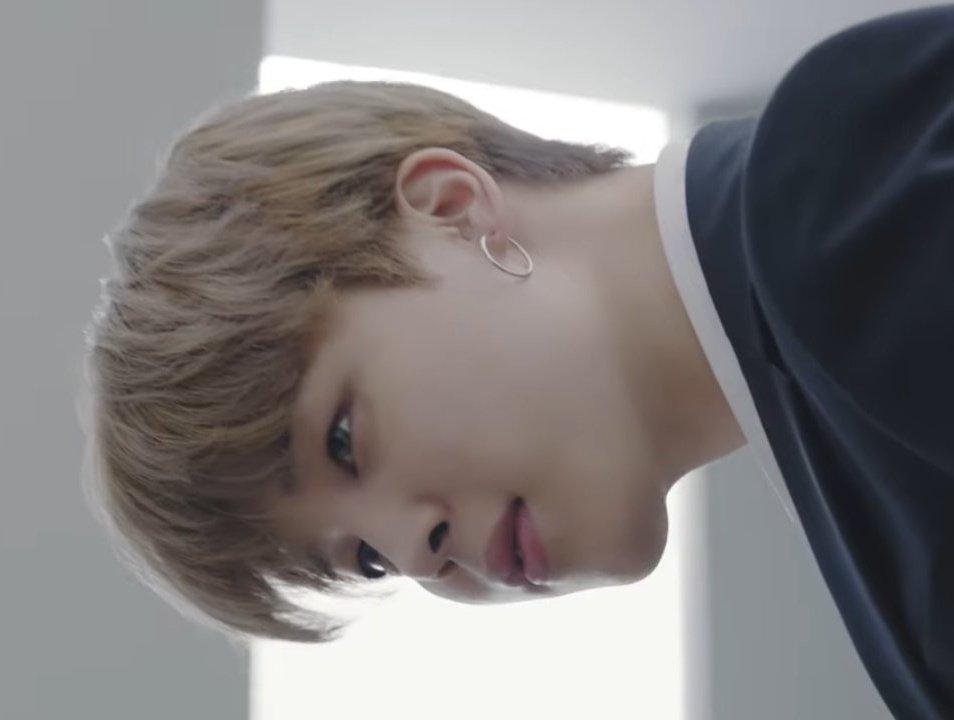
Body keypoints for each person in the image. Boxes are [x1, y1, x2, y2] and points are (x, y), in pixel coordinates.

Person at [85, 5, 953, 718]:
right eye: (365, 559)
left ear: (451, 209)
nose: (417, 554)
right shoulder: (833, 430)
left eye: (342, 439)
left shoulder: (847, 182)